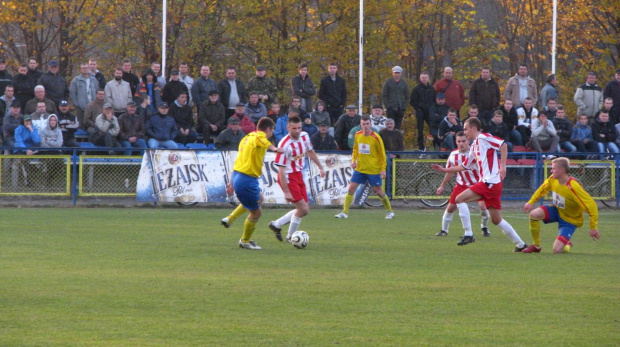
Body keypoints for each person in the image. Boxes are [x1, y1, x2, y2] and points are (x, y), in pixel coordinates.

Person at [431, 118, 528, 251]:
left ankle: (469, 234)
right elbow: (465, 165)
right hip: (492, 184)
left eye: (466, 129)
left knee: (459, 199)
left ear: (474, 128)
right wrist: (444, 170)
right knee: (496, 220)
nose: (465, 132)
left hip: (489, 182)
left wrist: (503, 166)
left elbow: (503, 145)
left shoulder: (483, 138)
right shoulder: (475, 144)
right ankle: (521, 244)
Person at [220, 117, 283, 250]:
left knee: (259, 199)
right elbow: (262, 140)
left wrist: (231, 181)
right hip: (247, 179)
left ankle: (230, 218)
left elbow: (238, 161)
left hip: (239, 175)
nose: (272, 134)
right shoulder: (259, 137)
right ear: (267, 129)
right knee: (256, 213)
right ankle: (245, 241)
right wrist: (274, 148)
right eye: (272, 131)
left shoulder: (246, 138)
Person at [522, 157, 600, 253]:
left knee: (557, 250)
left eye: (553, 168)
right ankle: (536, 246)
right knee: (534, 214)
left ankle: (567, 244)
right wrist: (531, 202)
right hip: (557, 210)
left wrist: (593, 227)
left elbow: (591, 205)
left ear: (561, 170)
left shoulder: (573, 186)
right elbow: (542, 189)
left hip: (570, 219)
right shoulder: (553, 179)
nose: (551, 171)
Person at [269, 115, 326, 242]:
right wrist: (286, 191)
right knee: (303, 209)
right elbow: (281, 171)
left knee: (303, 209)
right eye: (294, 128)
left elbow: (310, 152)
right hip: (288, 177)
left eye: (299, 127)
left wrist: (320, 167)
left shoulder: (305, 136)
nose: (297, 131)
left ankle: (276, 225)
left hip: (298, 174)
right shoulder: (284, 145)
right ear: (288, 128)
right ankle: (290, 237)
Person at [334, 115, 394, 219]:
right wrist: (353, 161)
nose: (365, 126)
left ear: (370, 124)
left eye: (367, 124)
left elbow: (382, 155)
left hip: (373, 169)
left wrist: (383, 169)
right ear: (360, 125)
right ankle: (344, 212)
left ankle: (390, 211)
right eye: (363, 124)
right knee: (351, 189)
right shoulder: (357, 135)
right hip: (360, 169)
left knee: (378, 191)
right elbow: (356, 150)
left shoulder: (376, 137)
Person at [435, 131, 491, 237]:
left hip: (478, 184)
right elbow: (450, 171)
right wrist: (442, 185)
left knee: (483, 207)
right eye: (459, 141)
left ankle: (484, 227)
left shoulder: (476, 153)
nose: (461, 143)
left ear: (468, 141)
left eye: (464, 141)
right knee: (451, 207)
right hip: (462, 185)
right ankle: (444, 230)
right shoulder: (453, 155)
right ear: (456, 142)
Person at [410, 71, 435, 149]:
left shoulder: (431, 89)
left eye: (425, 78)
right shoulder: (416, 89)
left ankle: (430, 144)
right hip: (420, 111)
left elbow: (434, 100)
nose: (424, 79)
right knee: (420, 129)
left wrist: (432, 109)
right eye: (422, 78)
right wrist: (418, 109)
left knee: (433, 127)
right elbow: (412, 101)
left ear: (428, 79)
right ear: (420, 79)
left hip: (429, 111)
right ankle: (420, 146)